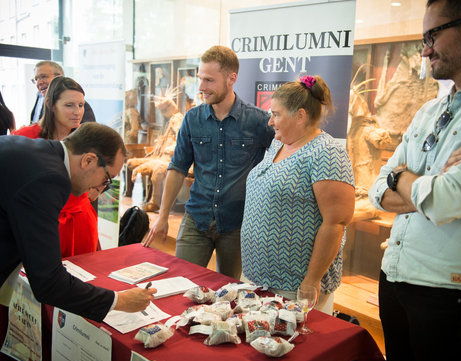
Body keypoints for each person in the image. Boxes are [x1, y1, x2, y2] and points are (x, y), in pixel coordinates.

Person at [368, 1, 461, 361]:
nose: (426, 48)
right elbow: (375, 190)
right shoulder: (429, 111)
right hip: (396, 276)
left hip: (449, 292)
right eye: (423, 38)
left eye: (433, 35)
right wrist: (425, 188)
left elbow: (448, 200)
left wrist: (402, 177)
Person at [0, 122, 156, 322]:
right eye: (106, 180)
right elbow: (48, 283)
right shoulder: (49, 179)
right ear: (88, 160)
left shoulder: (40, 152)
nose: (101, 189)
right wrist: (119, 300)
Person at [142, 45, 274, 279]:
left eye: (209, 80)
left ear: (231, 78)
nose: (201, 87)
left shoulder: (258, 121)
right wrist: (162, 217)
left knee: (229, 293)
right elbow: (177, 168)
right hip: (197, 219)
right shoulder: (192, 118)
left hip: (238, 224)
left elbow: (284, 158)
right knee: (179, 283)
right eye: (200, 78)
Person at [241, 76, 355, 314]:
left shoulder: (327, 153)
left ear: (300, 115)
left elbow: (336, 222)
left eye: (276, 114)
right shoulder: (278, 144)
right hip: (259, 277)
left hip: (294, 286)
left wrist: (312, 280)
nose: (270, 121)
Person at [12, 76, 100, 257]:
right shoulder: (24, 137)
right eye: (69, 105)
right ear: (51, 104)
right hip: (40, 224)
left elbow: (107, 166)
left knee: (85, 277)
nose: (77, 112)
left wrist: (100, 185)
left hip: (81, 222)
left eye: (81, 105)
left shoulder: (87, 137)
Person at [30, 60, 95, 123]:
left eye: (43, 77)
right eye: (36, 79)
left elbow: (88, 133)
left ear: (59, 78)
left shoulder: (80, 107)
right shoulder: (40, 97)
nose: (39, 83)